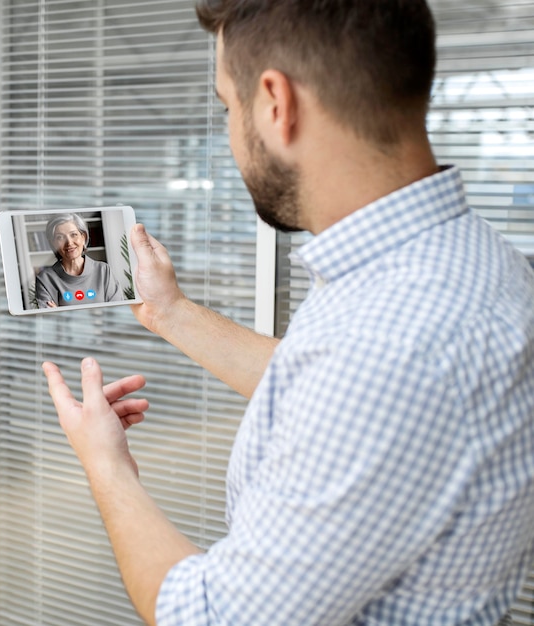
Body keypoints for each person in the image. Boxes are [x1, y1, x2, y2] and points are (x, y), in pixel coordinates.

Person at [42, 1, 534, 625]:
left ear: (276, 102)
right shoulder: (466, 262)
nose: (229, 134)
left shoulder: (395, 341)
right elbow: (325, 380)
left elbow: (212, 616)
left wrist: (106, 466)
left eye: (228, 107)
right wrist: (171, 313)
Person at [35, 213, 124, 308]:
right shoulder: (45, 279)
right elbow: (50, 319)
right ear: (53, 243)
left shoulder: (103, 270)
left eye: (73, 235)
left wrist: (61, 313)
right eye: (60, 237)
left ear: (83, 237)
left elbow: (117, 311)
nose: (69, 243)